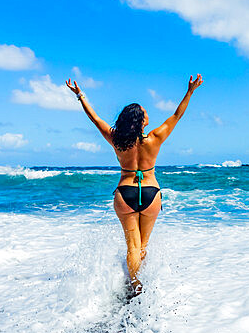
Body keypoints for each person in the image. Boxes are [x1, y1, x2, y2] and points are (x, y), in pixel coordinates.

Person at [66, 74, 203, 295]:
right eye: (145, 113)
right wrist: (190, 91)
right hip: (150, 193)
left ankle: (134, 285)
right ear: (140, 120)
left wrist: (80, 95)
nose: (148, 115)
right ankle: (139, 287)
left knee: (132, 246)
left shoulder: (117, 139)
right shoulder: (155, 138)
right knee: (143, 246)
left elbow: (95, 119)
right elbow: (177, 115)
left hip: (125, 192)